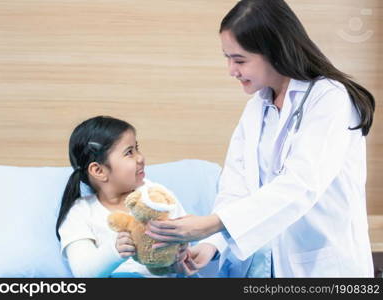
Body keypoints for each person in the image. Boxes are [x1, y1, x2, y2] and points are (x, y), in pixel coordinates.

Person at [146, 0, 375, 277]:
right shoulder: (258, 105)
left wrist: (211, 224)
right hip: (273, 265)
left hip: (325, 265)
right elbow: (236, 184)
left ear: (274, 51)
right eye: (227, 58)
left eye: (239, 60)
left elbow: (302, 184)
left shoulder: (330, 98)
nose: (231, 70)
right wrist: (212, 243)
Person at [56, 116, 187, 277]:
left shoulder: (157, 197)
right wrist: (115, 251)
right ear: (99, 171)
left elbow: (185, 243)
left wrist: (178, 262)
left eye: (137, 148)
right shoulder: (80, 212)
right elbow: (83, 273)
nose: (140, 158)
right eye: (129, 152)